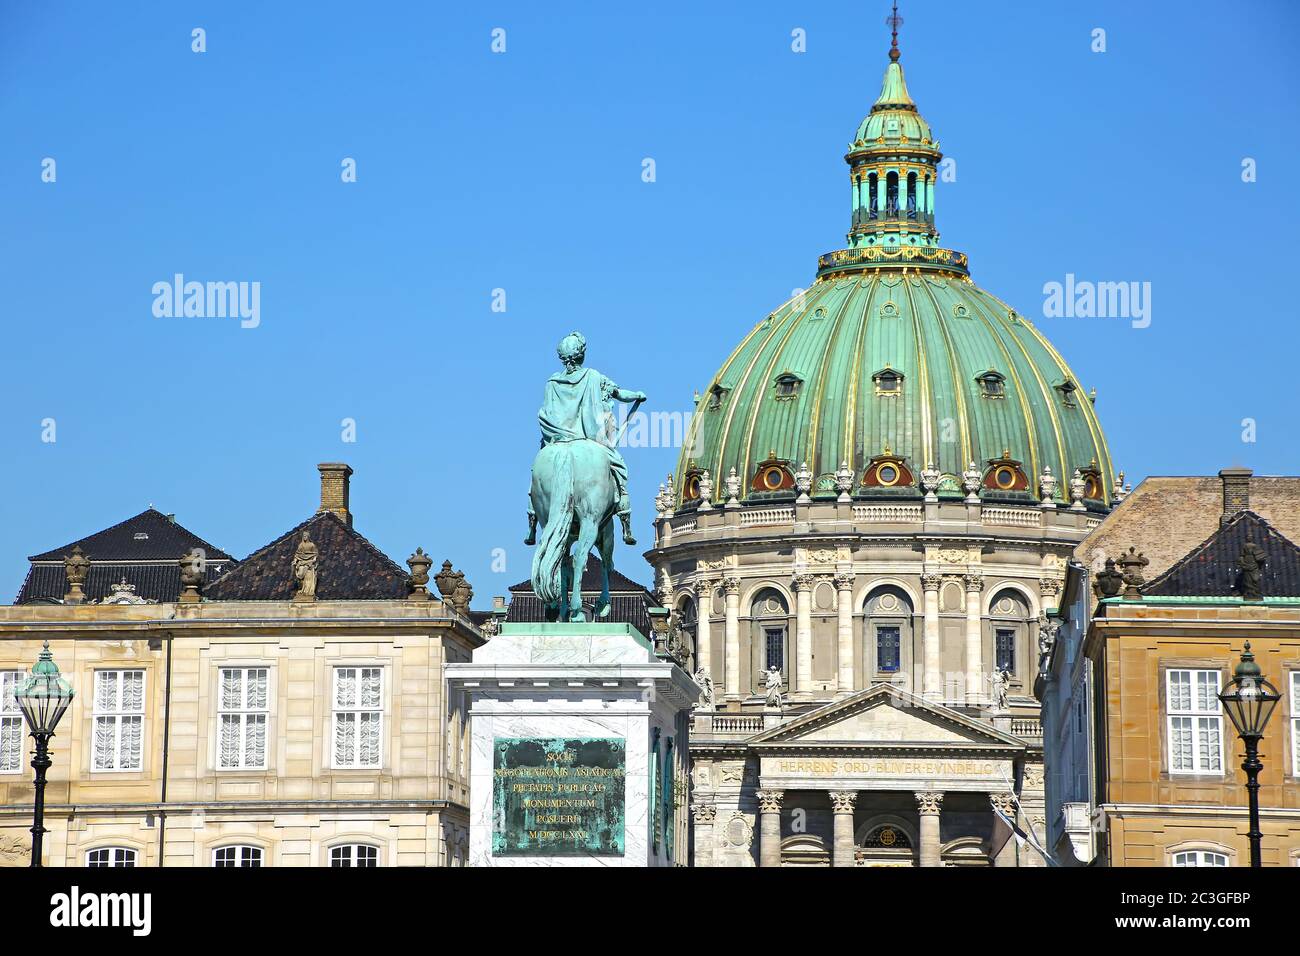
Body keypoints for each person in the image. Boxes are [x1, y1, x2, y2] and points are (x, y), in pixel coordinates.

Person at [525, 331, 645, 546]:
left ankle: (532, 523)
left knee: (537, 471)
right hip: (588, 440)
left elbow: (547, 414)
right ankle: (625, 518)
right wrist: (637, 395)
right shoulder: (593, 377)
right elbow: (619, 394)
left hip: (557, 440)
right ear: (581, 355)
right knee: (619, 470)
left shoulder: (552, 383)